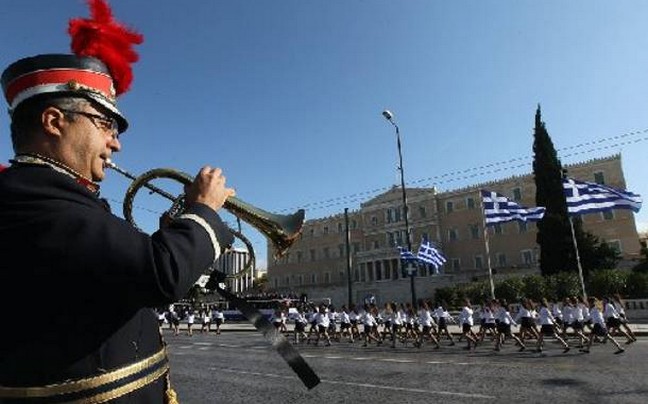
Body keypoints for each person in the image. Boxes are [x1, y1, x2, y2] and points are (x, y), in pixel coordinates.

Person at [0, 1, 235, 402]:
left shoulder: (54, 195)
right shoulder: (32, 196)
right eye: (105, 124)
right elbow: (159, 275)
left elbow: (118, 278)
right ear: (54, 121)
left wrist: (175, 232)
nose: (116, 143)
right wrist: (202, 211)